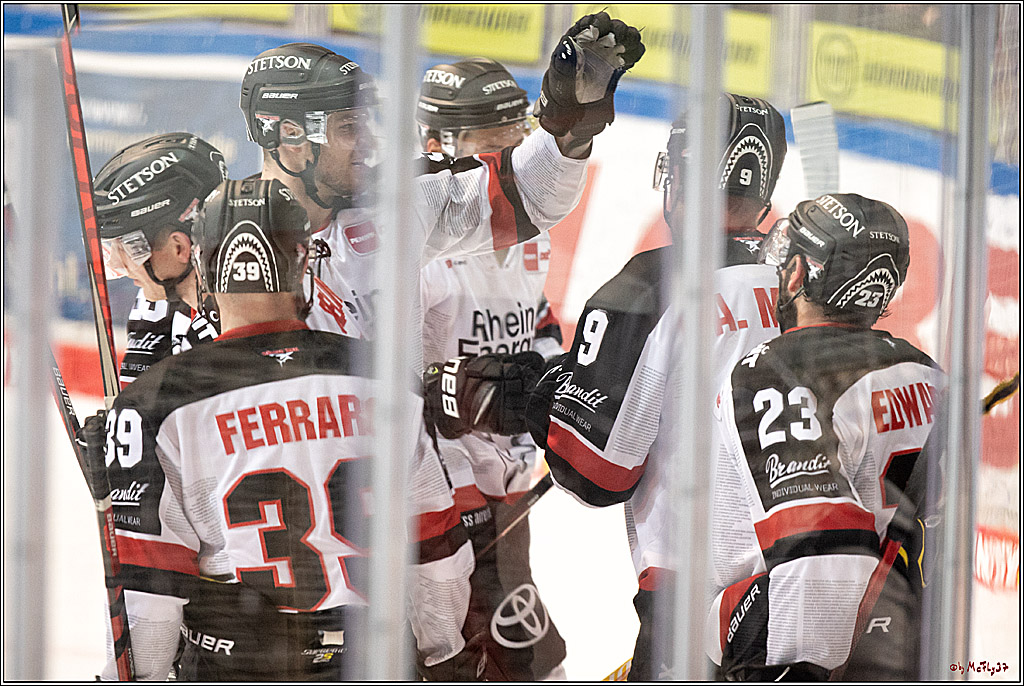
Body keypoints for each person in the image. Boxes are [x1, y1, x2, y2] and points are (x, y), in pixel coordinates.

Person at [239, 15, 644, 677]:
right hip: (301, 563)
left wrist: (571, 122)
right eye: (349, 128)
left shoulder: (394, 208)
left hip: (417, 523)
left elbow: (527, 193)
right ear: (291, 139)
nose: (370, 144)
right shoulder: (228, 244)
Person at [459, 93, 786, 680]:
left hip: (703, 602)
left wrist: (546, 395)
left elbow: (596, 474)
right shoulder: (799, 285)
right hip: (812, 581)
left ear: (679, 175)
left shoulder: (648, 288)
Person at [93, 178, 454, 680]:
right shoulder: (386, 377)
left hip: (238, 666)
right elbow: (435, 548)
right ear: (303, 260)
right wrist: (441, 651)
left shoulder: (155, 402)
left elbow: (147, 594)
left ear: (204, 264)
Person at [707, 193, 945, 680]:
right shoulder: (930, 375)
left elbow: (820, 560)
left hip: (811, 654)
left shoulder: (777, 370)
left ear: (797, 275)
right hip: (911, 640)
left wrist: (727, 635)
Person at [416, 57, 567, 680]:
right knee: (479, 652)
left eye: (517, 130)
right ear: (436, 145)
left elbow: (538, 317)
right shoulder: (409, 230)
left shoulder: (524, 219)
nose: (513, 147)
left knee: (526, 654)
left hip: (508, 467)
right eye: (494, 137)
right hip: (440, 473)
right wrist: (444, 395)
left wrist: (560, 386)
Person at [93, 132, 227, 386]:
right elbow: (142, 411)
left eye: (129, 247)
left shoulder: (252, 320)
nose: (116, 265)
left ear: (179, 248)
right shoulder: (154, 306)